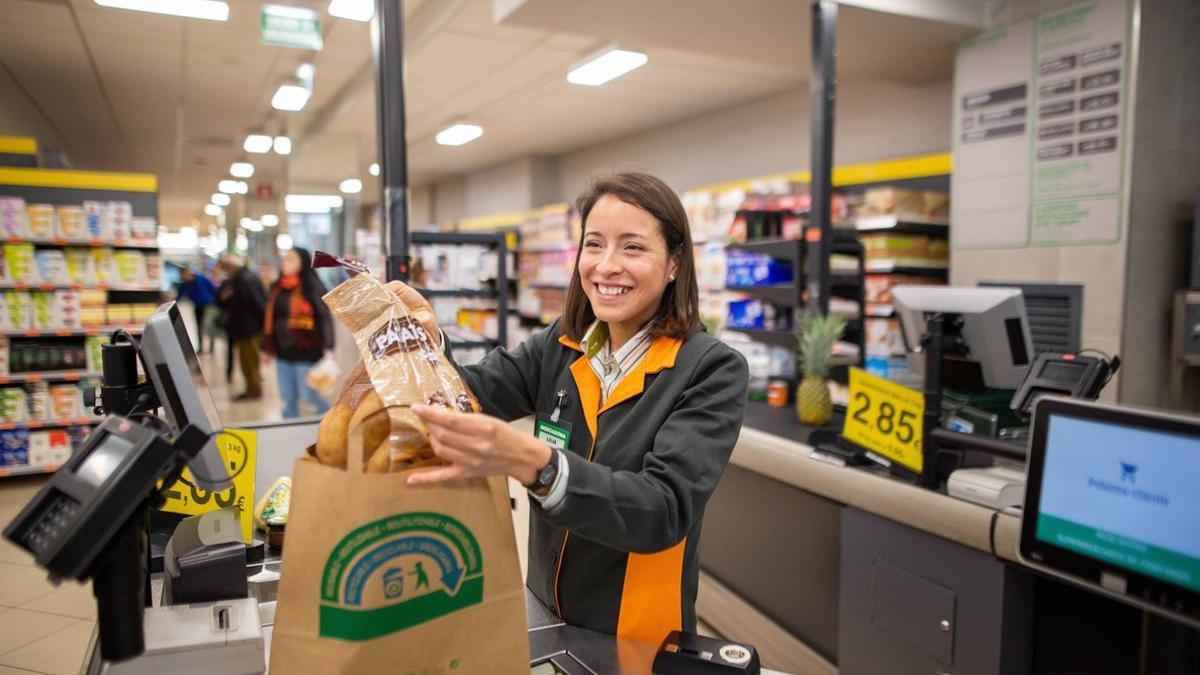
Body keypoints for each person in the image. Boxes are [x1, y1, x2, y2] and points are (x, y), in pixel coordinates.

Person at [391, 172, 749, 645]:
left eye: (633, 248)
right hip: (545, 609)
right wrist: (425, 339)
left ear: (674, 264)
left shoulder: (710, 370)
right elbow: (468, 395)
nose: (606, 265)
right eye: (594, 244)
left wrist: (534, 463)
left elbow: (661, 509)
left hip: (636, 634)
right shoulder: (562, 345)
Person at [263, 247, 334, 419]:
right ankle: (289, 433)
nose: (285, 263)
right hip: (283, 352)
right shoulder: (278, 287)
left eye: (290, 259)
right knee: (288, 398)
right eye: (284, 259)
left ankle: (331, 419)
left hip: (307, 351)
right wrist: (266, 348)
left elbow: (324, 317)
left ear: (302, 263)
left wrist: (329, 346)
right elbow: (269, 318)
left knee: (308, 395)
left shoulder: (312, 287)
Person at [215, 254, 266, 400]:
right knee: (246, 360)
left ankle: (254, 390)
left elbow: (257, 303)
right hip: (245, 326)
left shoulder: (244, 279)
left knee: (250, 361)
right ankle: (251, 388)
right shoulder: (241, 277)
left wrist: (260, 324)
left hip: (248, 327)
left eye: (226, 268)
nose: (225, 271)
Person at [176, 266, 217, 353]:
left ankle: (211, 346)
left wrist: (216, 302)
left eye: (184, 275)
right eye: (182, 276)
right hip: (197, 306)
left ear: (188, 273)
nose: (183, 277)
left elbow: (212, 289)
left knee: (210, 326)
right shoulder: (185, 284)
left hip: (209, 305)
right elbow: (179, 296)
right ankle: (201, 347)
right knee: (199, 327)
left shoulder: (201, 279)